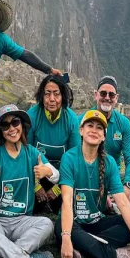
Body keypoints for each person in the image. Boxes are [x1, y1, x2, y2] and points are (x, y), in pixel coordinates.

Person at [56, 110, 130, 258]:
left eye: (99, 128)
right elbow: (67, 201)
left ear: (104, 136)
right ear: (81, 130)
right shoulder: (69, 158)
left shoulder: (109, 162)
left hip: (96, 221)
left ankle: (84, 250)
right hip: (73, 223)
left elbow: (123, 204)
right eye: (89, 125)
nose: (93, 130)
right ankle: (116, 255)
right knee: (61, 229)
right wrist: (66, 237)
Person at [0, 104, 59, 258]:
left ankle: (0, 256)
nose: (11, 128)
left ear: (22, 125)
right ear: (1, 131)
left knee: (47, 224)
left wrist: (47, 171)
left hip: (23, 220)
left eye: (15, 122)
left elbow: (56, 175)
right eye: (5, 125)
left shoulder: (32, 153)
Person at [91, 76, 130, 212]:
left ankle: (117, 201)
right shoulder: (83, 120)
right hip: (91, 178)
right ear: (96, 95)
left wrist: (127, 186)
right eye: (103, 93)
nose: (107, 97)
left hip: (115, 177)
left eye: (111, 94)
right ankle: (120, 205)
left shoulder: (123, 123)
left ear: (116, 98)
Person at [26, 74, 81, 212]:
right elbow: (25, 151)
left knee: (62, 205)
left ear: (63, 96)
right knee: (33, 206)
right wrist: (36, 186)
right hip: (36, 175)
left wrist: (57, 189)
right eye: (47, 94)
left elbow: (75, 158)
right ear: (41, 96)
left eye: (56, 94)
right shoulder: (33, 116)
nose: (52, 99)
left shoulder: (71, 120)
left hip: (62, 177)